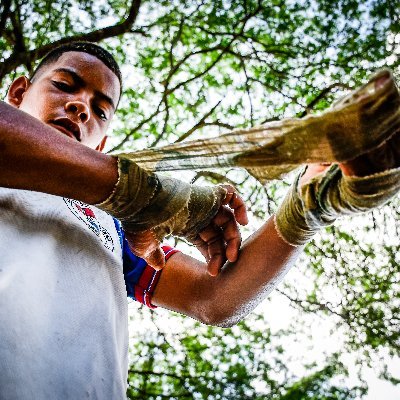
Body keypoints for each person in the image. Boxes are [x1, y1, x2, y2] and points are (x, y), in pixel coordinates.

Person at [0, 41, 398, 399]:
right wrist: (151, 197)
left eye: (101, 110)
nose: (81, 106)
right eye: (64, 86)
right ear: (18, 93)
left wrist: (310, 206)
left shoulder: (108, 225)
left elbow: (213, 298)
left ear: (102, 144)